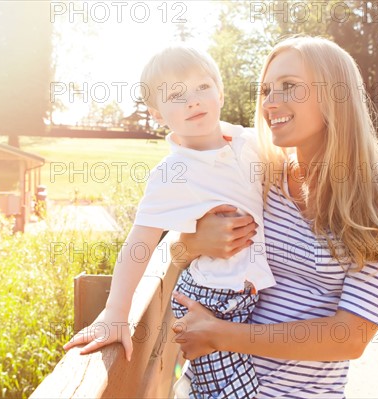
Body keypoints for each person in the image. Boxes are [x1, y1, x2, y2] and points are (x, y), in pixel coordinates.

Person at [169, 35, 378, 398]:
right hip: (214, 386)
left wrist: (218, 334)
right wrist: (192, 243)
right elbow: (174, 251)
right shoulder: (260, 174)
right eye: (266, 90)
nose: (270, 103)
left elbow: (350, 336)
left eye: (289, 87)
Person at [64, 45, 275, 398]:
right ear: (157, 114)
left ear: (220, 93)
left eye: (202, 88)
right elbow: (139, 243)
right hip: (213, 299)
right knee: (229, 392)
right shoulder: (172, 172)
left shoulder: (250, 142)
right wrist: (117, 311)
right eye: (176, 95)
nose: (193, 100)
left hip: (254, 295)